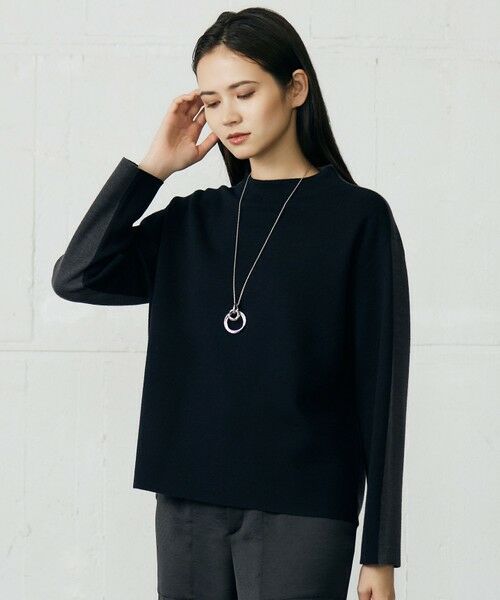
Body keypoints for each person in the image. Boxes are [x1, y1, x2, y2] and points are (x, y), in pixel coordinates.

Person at [51, 7, 410, 600]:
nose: (229, 116)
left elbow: (382, 391)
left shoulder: (358, 218)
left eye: (245, 93)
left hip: (304, 506)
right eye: (212, 101)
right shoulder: (191, 221)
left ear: (296, 88)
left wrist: (380, 554)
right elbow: (78, 275)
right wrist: (152, 169)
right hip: (187, 500)